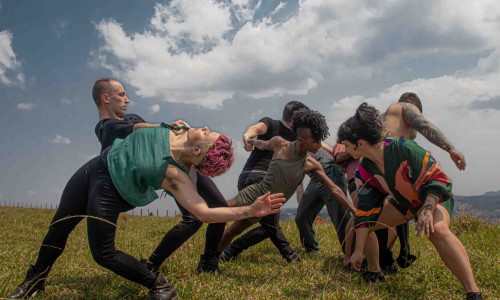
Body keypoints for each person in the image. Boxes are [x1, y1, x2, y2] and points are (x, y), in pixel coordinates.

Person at [8, 118, 287, 299]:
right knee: (60, 225)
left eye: (207, 135)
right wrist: (164, 126)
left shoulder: (175, 174)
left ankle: (158, 284)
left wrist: (251, 210)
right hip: (96, 167)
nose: (204, 128)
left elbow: (203, 212)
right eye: (208, 129)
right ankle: (35, 280)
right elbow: (140, 129)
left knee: (103, 254)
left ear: (198, 153)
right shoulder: (179, 128)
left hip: (112, 189)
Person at [338, 103, 481, 299]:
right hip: (403, 204)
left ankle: (473, 291)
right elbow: (365, 212)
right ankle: (374, 270)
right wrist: (358, 251)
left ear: (360, 144)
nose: (344, 149)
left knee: (436, 230)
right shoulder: (364, 171)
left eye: (346, 144)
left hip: (434, 197)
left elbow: (437, 179)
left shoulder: (403, 148)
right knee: (363, 223)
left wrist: (427, 209)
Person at [92, 78, 227, 273]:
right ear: (106, 98)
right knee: (194, 219)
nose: (127, 100)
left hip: (183, 160)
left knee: (220, 207)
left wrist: (179, 133)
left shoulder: (132, 117)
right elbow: (137, 136)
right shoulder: (106, 127)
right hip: (167, 170)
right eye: (122, 95)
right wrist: (167, 126)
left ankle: (209, 261)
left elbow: (155, 138)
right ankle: (152, 264)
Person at [219, 110, 356, 261]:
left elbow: (334, 188)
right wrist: (250, 141)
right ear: (301, 140)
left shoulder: (311, 164)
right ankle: (210, 257)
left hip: (268, 205)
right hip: (254, 193)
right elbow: (264, 144)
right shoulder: (280, 144)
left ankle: (215, 257)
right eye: (316, 141)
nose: (319, 145)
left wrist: (354, 210)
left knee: (235, 230)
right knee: (216, 212)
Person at [217, 101, 309, 263]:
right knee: (270, 223)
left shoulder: (298, 140)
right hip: (259, 178)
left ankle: (216, 254)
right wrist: (248, 135)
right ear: (297, 119)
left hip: (254, 177)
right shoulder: (272, 124)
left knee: (240, 226)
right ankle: (291, 256)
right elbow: (257, 128)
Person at [294, 146, 351, 254]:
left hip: (331, 170)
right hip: (316, 178)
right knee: (301, 217)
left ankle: (352, 253)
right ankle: (311, 250)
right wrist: (302, 207)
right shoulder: (293, 161)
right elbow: (299, 189)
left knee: (340, 217)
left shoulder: (304, 143)